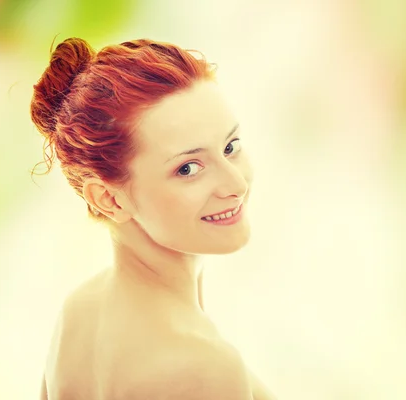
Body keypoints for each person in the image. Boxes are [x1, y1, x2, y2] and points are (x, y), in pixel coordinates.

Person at [30, 37, 276, 400]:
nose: (235, 184)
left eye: (230, 148)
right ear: (108, 199)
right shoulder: (203, 368)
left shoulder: (79, 312)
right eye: (188, 168)